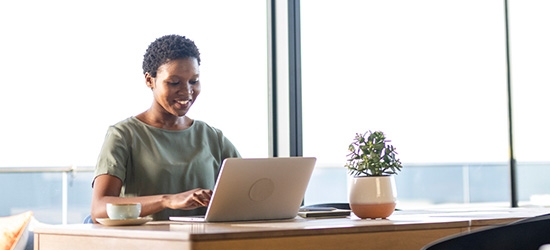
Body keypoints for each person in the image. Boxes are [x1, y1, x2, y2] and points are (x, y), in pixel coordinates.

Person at [90, 34, 241, 222]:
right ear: (149, 80)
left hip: (203, 242)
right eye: (174, 82)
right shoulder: (124, 135)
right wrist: (167, 200)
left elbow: (248, 193)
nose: (187, 91)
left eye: (193, 81)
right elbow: (99, 208)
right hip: (148, 243)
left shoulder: (212, 137)